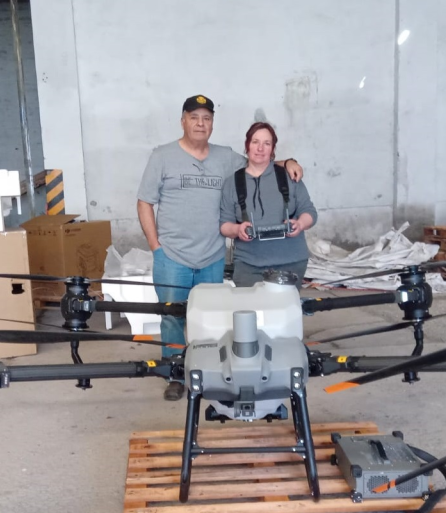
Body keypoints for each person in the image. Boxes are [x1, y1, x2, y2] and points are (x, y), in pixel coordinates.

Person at [136, 95, 303, 400]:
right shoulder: (162, 156)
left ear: (212, 123)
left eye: (207, 118)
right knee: (172, 317)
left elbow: (258, 161)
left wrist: (287, 162)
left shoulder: (225, 157)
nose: (200, 124)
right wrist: (155, 246)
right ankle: (174, 373)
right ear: (183, 121)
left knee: (210, 319)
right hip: (172, 256)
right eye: (194, 117)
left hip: (212, 256)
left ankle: (207, 373)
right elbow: (144, 202)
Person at [220, 122, 317, 288]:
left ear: (272, 149)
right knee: (250, 305)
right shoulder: (232, 183)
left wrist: (300, 224)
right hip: (249, 265)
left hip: (291, 263)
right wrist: (237, 230)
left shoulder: (289, 176)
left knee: (285, 305)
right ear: (247, 145)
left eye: (267, 143)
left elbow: (309, 212)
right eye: (255, 142)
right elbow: (224, 225)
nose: (260, 148)